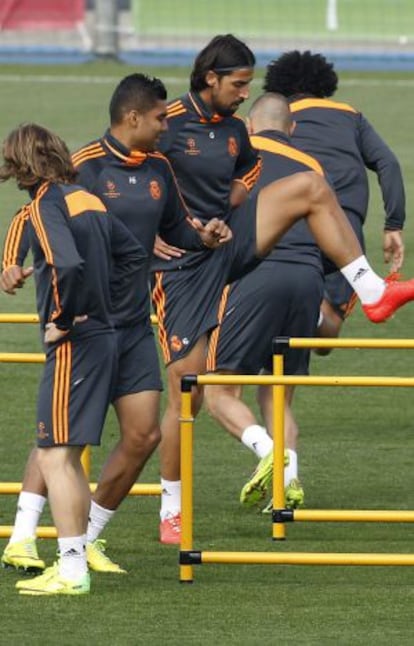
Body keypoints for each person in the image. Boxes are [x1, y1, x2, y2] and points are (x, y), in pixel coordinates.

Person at [151, 37, 414, 544]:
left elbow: (248, 181)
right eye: (239, 84)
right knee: (188, 394)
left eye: (251, 87)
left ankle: (373, 290)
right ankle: (193, 500)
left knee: (312, 193)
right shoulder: (171, 122)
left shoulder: (237, 133)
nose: (245, 94)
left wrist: (223, 211)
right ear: (211, 79)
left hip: (232, 251)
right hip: (201, 270)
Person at [1, 74, 231, 574]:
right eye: (160, 117)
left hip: (131, 325)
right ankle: (23, 535)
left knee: (143, 435)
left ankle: (86, 539)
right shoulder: (83, 166)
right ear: (133, 117)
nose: (168, 125)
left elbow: (178, 231)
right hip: (86, 324)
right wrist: (11, 261)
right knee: (62, 435)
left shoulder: (161, 169)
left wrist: (205, 238)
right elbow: (32, 214)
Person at [0, 123, 146, 595]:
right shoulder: (88, 197)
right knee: (64, 452)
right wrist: (107, 305)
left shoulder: (47, 204)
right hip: (105, 333)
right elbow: (132, 254)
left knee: (55, 454)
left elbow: (66, 264)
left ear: (20, 164)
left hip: (77, 342)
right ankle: (74, 558)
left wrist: (65, 317)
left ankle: (71, 569)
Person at [204, 92, 326, 512]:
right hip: (308, 277)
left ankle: (268, 452)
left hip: (255, 272)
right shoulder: (312, 166)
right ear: (292, 130)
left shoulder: (241, 154)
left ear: (250, 126)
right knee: (277, 394)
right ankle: (287, 485)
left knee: (218, 392)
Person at [263, 50, 406, 354]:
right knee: (325, 341)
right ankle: (313, 312)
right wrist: (393, 225)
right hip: (344, 233)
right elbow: (388, 164)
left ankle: (287, 312)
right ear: (325, 84)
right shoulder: (350, 114)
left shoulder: (279, 118)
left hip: (292, 224)